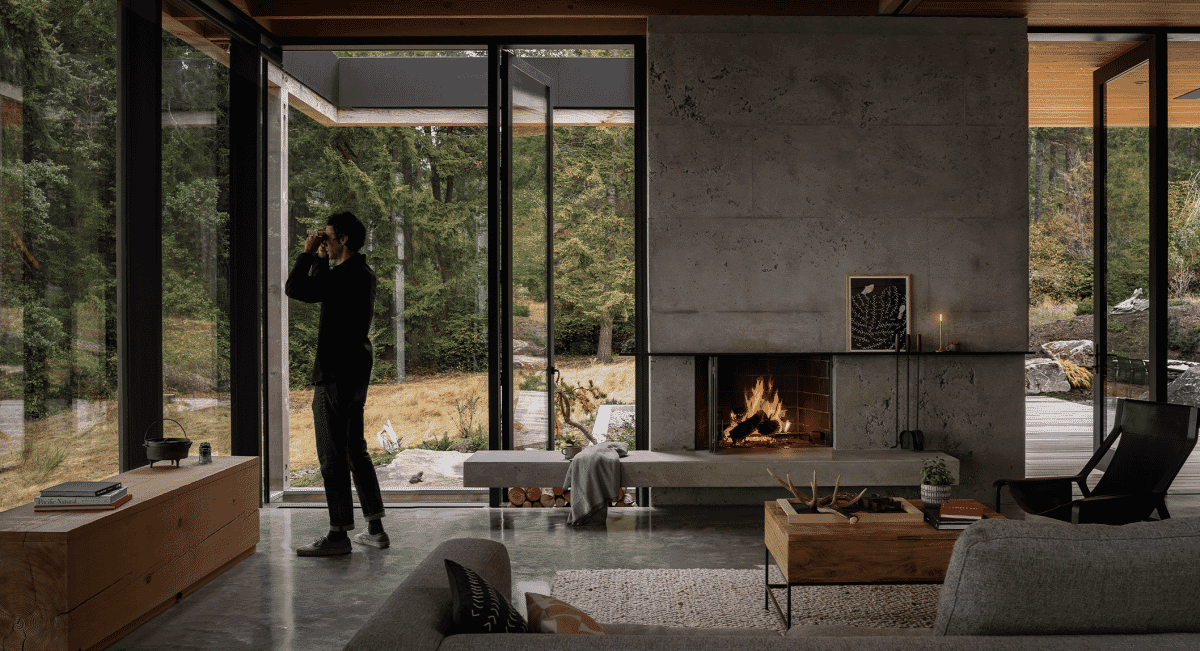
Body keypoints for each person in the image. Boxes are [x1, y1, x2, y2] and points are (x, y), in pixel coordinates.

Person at [285, 211, 388, 556]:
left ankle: (338, 535)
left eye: (327, 235)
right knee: (354, 449)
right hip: (356, 371)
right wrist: (321, 259)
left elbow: (297, 289)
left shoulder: (345, 275)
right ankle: (375, 527)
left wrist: (307, 252)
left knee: (332, 455)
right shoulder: (362, 273)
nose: (322, 239)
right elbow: (322, 291)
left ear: (342, 240)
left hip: (335, 374)